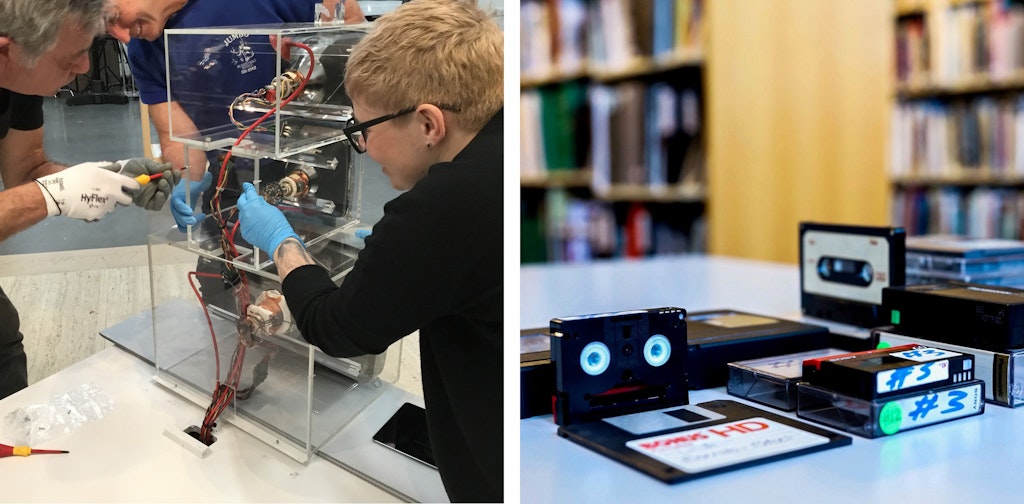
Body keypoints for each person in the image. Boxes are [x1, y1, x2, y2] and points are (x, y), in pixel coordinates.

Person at [236, 1, 503, 501]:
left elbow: (339, 329)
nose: (364, 148)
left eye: (363, 130)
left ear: (428, 124)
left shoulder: (443, 207)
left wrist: (281, 241)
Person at [0, 0, 177, 399]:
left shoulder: (21, 74)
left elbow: (25, 170)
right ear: (5, 50)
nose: (84, 68)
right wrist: (52, 195)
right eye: (74, 56)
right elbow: (35, 193)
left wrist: (106, 177)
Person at [106, 0, 366, 230]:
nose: (123, 37)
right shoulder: (144, 51)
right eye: (108, 27)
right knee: (224, 275)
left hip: (308, 161)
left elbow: (351, 31)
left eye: (115, 14)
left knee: (315, 263)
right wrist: (187, 185)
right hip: (229, 176)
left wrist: (359, 112)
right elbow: (177, 137)